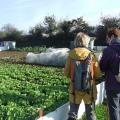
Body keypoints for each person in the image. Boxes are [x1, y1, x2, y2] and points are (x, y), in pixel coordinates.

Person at [64, 32, 101, 120]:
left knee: (72, 114)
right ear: (86, 42)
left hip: (74, 89)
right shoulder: (91, 55)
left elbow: (66, 73)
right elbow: (98, 74)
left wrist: (75, 76)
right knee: (90, 113)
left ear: (76, 41)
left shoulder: (71, 54)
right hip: (89, 89)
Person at [100, 28, 120, 120]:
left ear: (112, 36)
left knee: (114, 108)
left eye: (107, 38)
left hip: (113, 84)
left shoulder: (108, 50)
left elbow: (102, 68)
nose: (107, 40)